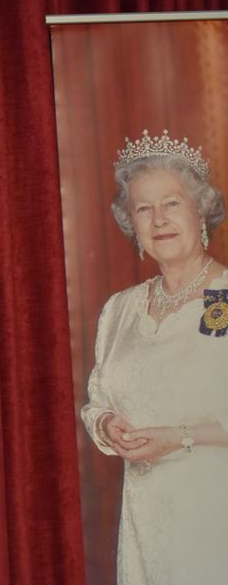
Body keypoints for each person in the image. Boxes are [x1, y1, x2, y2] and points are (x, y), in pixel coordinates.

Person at [82, 129, 228, 584]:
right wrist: (106, 424)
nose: (158, 219)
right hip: (145, 521)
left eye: (171, 203)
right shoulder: (119, 310)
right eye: (143, 208)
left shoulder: (224, 297)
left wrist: (180, 437)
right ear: (132, 224)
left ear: (200, 209)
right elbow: (97, 399)